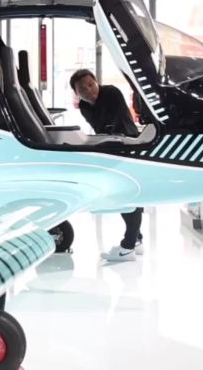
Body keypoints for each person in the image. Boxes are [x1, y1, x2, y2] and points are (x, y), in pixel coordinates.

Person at [70, 69, 143, 262]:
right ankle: (136, 240)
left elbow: (115, 123)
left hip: (127, 145)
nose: (88, 90)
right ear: (76, 92)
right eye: (82, 89)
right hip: (110, 149)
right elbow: (98, 129)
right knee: (124, 195)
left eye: (90, 84)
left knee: (127, 196)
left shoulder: (111, 92)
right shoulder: (84, 106)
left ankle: (128, 247)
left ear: (96, 82)